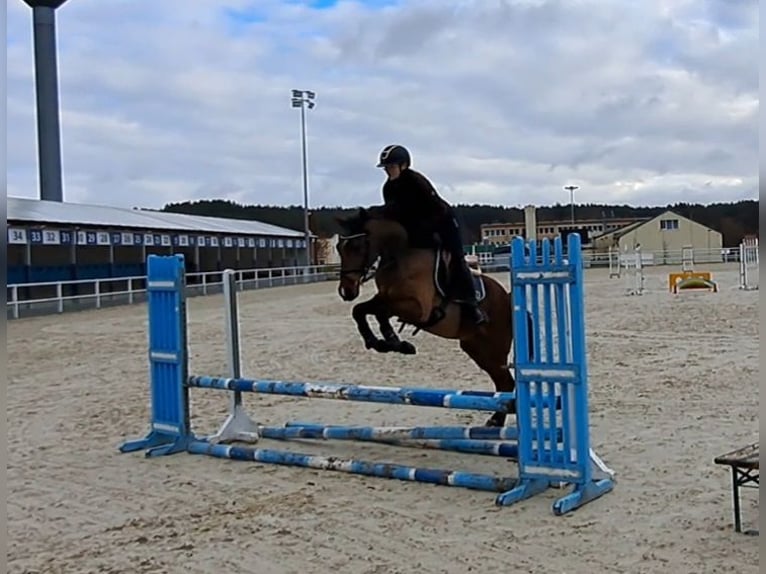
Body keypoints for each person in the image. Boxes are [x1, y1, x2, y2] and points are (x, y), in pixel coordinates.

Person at [376, 144, 488, 325]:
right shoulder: (388, 188)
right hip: (417, 228)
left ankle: (471, 305)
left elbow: (437, 211)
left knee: (457, 259)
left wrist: (425, 231)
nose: (388, 171)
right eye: (386, 168)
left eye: (391, 166)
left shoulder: (416, 182)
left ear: (403, 165)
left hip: (443, 223)